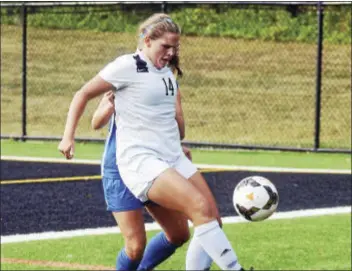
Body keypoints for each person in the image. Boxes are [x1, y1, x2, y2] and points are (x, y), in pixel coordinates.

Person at [59, 13, 248, 270]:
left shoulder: (167, 76)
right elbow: (87, 102)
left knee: (205, 221)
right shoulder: (126, 67)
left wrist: (175, 141)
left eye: (175, 48)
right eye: (166, 46)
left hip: (168, 158)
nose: (171, 52)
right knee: (137, 245)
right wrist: (68, 136)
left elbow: (169, 124)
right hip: (134, 163)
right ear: (147, 40)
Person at [92, 89, 212, 270]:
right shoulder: (124, 78)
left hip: (153, 165)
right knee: (135, 247)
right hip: (119, 168)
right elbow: (96, 122)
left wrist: (175, 146)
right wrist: (109, 105)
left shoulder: (168, 85)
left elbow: (178, 131)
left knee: (178, 234)